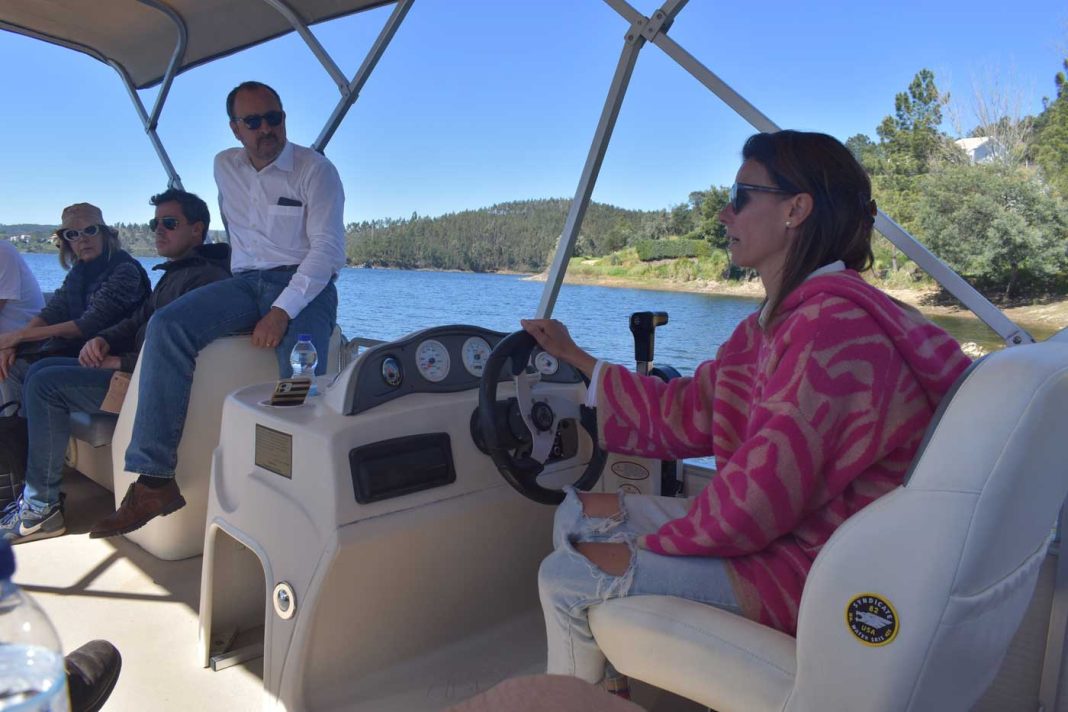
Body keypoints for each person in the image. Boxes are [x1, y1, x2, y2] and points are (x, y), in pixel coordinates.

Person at [521, 130, 972, 686]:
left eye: (740, 196)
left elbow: (761, 498)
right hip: (796, 536)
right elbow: (693, 410)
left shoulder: (830, 330)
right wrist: (575, 357)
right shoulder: (782, 321)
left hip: (824, 571)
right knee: (577, 512)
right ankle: (606, 685)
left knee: (568, 575)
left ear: (795, 210)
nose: (722, 212)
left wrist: (641, 547)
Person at [88, 81, 346, 539]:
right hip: (245, 282)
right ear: (235, 128)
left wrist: (282, 311)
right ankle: (153, 482)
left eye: (275, 117)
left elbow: (326, 251)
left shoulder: (315, 170)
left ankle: (291, 503)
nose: (267, 128)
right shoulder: (224, 166)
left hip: (307, 282)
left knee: (298, 377)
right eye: (254, 121)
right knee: (166, 325)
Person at [0, 190, 230, 543]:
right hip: (129, 369)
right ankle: (31, 486)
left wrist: (116, 357)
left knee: (44, 384)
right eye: (155, 223)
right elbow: (138, 320)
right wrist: (104, 339)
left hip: (145, 383)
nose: (158, 231)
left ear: (198, 230)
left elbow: (178, 352)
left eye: (169, 223)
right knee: (35, 373)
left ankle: (41, 507)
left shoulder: (203, 281)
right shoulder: (176, 273)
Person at [0, 204, 150, 408]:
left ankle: (22, 434)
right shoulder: (79, 272)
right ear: (67, 243)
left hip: (113, 358)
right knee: (11, 365)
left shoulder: (125, 271)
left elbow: (87, 325)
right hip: (81, 353)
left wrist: (18, 336)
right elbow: (53, 312)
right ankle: (15, 431)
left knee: (39, 376)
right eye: (73, 234)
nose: (82, 239)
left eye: (90, 230)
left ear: (105, 235)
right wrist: (12, 345)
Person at [0, 240, 45, 404]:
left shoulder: (2, 252)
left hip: (27, 344)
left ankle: (14, 424)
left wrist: (13, 341)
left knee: (5, 365)